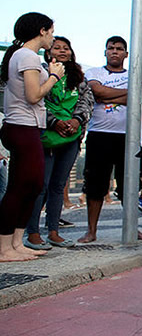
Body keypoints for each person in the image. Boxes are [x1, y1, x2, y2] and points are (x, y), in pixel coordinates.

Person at [0, 13, 64, 262]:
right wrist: (54, 76)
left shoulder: (26, 56)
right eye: (51, 32)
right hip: (22, 126)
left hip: (28, 127)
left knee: (31, 185)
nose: (53, 37)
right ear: (41, 31)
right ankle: (4, 247)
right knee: (21, 188)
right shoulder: (27, 56)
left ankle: (16, 242)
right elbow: (34, 95)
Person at [24, 36, 93, 250]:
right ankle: (32, 232)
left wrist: (76, 120)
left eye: (66, 48)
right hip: (46, 135)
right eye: (57, 47)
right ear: (48, 51)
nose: (62, 51)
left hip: (71, 137)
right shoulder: (41, 72)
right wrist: (54, 122)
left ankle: (53, 231)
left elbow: (87, 101)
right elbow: (37, 99)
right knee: (41, 184)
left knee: (57, 185)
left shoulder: (79, 77)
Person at [78, 36, 142, 243]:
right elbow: (96, 91)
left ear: (126, 54)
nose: (114, 52)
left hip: (127, 136)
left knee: (129, 183)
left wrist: (108, 97)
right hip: (99, 135)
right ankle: (91, 231)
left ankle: (131, 228)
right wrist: (129, 95)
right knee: (95, 184)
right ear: (105, 52)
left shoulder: (135, 75)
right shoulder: (94, 73)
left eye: (119, 49)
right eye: (111, 48)